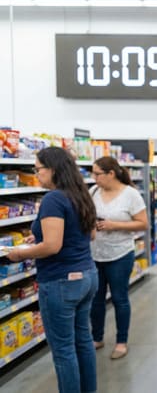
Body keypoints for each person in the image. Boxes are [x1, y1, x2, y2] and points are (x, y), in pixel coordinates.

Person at [7, 147, 98, 393]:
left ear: (53, 169)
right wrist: (36, 236)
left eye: (38, 169)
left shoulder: (53, 199)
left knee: (64, 350)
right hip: (87, 276)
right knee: (83, 342)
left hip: (61, 282)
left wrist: (19, 253)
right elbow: (90, 234)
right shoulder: (81, 194)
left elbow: (52, 246)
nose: (36, 175)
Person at [88, 157, 148, 360]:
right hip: (95, 253)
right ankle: (97, 337)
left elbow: (142, 224)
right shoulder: (94, 192)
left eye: (97, 173)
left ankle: (121, 341)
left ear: (110, 174)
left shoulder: (130, 195)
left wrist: (115, 225)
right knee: (96, 300)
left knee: (119, 298)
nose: (93, 177)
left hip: (120, 254)